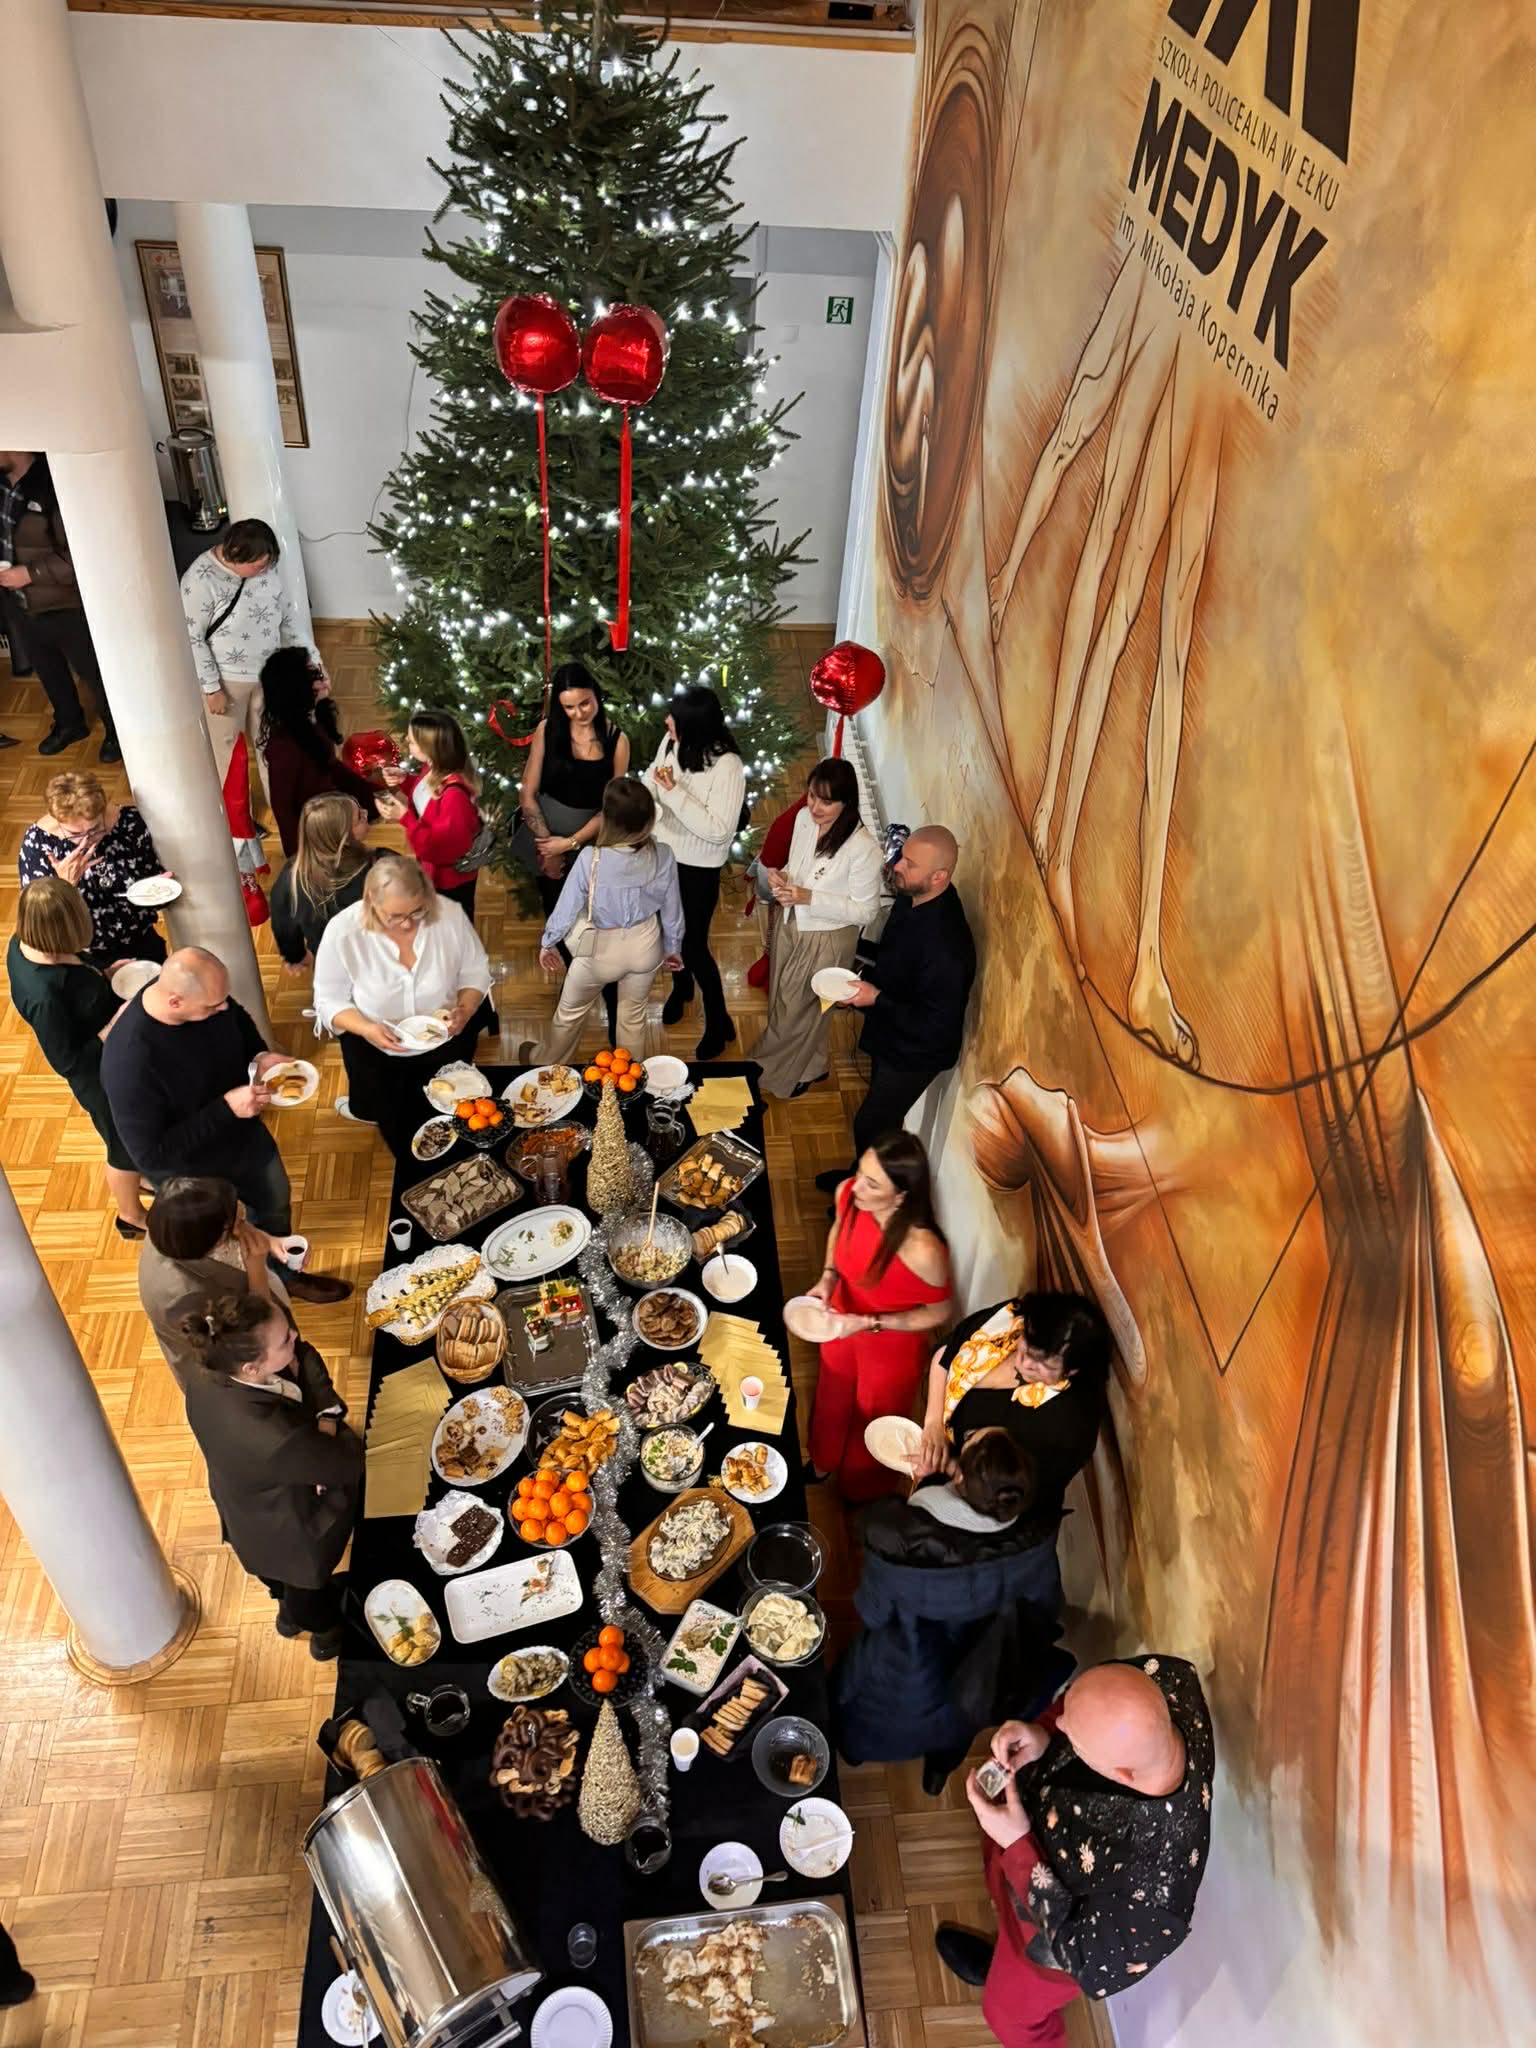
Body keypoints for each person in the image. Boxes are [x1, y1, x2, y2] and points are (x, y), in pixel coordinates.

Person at [940, 1655, 1215, 2042]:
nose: (1062, 1725)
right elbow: (1078, 1704)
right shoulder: (1168, 1679)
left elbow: (1084, 1958)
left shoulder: (1156, 1901)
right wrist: (1043, 1732)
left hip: (1046, 1940)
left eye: (1074, 1738)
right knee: (1001, 1898)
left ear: (1122, 1774)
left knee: (1008, 2016)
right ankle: (998, 1961)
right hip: (1028, 1847)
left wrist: (1017, 1846)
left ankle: (1004, 1979)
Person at [99, 946, 350, 1303]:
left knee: (274, 1201)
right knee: (226, 1243)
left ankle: (284, 1276)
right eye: (212, 1007)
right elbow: (151, 1155)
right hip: (196, 1175)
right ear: (175, 1002)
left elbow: (237, 1017)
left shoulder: (206, 997)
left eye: (223, 1000)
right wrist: (226, 1109)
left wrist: (259, 1054)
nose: (222, 1008)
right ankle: (257, 1296)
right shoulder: (130, 1062)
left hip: (244, 1139)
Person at [833, 1429, 1074, 1793]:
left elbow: (872, 1612)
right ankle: (936, 1776)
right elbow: (1047, 1609)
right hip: (978, 1681)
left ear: (959, 1477)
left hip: (908, 1674)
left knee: (870, 1719)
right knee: (954, 1731)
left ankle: (853, 1754)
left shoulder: (900, 1542)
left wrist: (925, 1486)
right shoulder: (1036, 1544)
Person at [173, 1291, 362, 1659]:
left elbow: (302, 1354)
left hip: (245, 1514)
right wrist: (331, 1426)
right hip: (290, 1532)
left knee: (279, 1582)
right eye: (285, 1340)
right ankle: (325, 1635)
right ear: (252, 1368)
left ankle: (287, 1615)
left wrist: (322, 1413)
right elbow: (346, 1463)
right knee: (309, 1595)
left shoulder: (205, 1371)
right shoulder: (275, 1439)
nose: (296, 1337)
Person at [816, 825, 976, 1192]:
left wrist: (876, 998)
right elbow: (894, 960)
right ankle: (860, 1176)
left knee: (871, 1124)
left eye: (910, 863)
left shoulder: (948, 947)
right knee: (879, 1122)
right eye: (903, 856)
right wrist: (853, 963)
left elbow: (935, 1023)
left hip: (917, 1051)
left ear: (939, 877)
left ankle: (868, 1195)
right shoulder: (911, 897)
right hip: (891, 1029)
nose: (897, 865)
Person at [802, 1132, 952, 1498]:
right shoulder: (849, 1194)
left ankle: (860, 1490)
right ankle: (822, 1461)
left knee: (873, 1417)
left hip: (889, 1346)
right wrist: (828, 1277)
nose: (856, 1187)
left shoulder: (925, 1250)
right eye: (860, 1173)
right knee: (832, 1395)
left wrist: (871, 1323)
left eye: (872, 1184)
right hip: (841, 1318)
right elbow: (838, 1227)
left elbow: (940, 1311)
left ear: (901, 1196)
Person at [313, 853, 492, 1149]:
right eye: (395, 916)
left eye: (417, 912)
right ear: (371, 901)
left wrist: (465, 1008)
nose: (408, 925)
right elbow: (328, 1000)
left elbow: (475, 971)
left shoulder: (449, 915)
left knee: (455, 1123)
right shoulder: (343, 931)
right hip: (379, 1055)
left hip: (446, 1046)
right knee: (399, 1129)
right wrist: (366, 1028)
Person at [6, 876, 147, 1237]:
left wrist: (105, 972)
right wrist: (113, 1025)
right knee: (121, 1145)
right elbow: (67, 1062)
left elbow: (78, 967)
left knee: (133, 1135)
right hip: (97, 1075)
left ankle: (142, 1175)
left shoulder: (24, 941)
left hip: (112, 1048)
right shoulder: (44, 997)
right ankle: (131, 1216)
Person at [916, 1291, 1113, 1542]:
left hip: (976, 1514)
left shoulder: (1069, 1424)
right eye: (1027, 1346)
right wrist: (933, 1424)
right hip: (938, 1464)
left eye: (1045, 1364)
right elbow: (947, 1350)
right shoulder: (1013, 1317)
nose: (1026, 1362)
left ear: (1072, 1370)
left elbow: (1008, 1495)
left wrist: (944, 1466)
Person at [751, 756, 884, 1099]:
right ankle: (813, 1065)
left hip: (827, 938)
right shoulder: (803, 819)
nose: (814, 807)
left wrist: (809, 897)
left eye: (826, 801)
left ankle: (765, 1073)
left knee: (794, 1011)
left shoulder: (864, 849)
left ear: (846, 802)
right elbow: (801, 867)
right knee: (792, 1004)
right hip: (793, 920)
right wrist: (783, 876)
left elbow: (866, 911)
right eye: (811, 795)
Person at [533, 776, 683, 1065]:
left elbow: (566, 907)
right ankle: (629, 1078)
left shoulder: (591, 858)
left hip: (600, 951)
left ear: (609, 820)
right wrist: (673, 947)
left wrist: (548, 942)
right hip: (646, 944)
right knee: (633, 1019)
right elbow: (672, 908)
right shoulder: (664, 854)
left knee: (569, 1015)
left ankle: (547, 1067)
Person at [642, 685, 746, 1060]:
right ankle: (681, 987)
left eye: (675, 719)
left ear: (696, 726)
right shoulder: (674, 742)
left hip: (698, 869)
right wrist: (649, 803)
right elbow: (652, 778)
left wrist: (672, 794)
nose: (666, 722)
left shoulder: (728, 767)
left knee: (693, 946)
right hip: (663, 855)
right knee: (668, 931)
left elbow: (719, 830)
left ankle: (720, 1021)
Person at [180, 517, 312, 803]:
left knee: (274, 746)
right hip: (228, 682)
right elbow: (192, 638)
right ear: (235, 555)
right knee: (230, 756)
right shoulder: (199, 580)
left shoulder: (268, 570)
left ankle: (284, 806)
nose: (265, 571)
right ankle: (239, 822)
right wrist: (211, 688)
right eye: (258, 566)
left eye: (269, 563)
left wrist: (310, 660)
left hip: (269, 676)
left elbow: (287, 618)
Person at [0, 451, 118, 761]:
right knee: (48, 670)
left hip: (66, 604)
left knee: (93, 672)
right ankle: (69, 725)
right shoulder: (3, 486)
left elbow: (81, 552)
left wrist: (30, 574)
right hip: (19, 603)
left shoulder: (56, 485)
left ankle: (116, 731)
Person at [139, 1175, 292, 1388]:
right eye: (233, 1219)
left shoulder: (175, 1225)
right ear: (214, 1238)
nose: (241, 1210)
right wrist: (257, 1267)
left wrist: (266, 1239)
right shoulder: (184, 1295)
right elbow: (253, 1330)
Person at [17, 770, 168, 969]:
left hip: (140, 938)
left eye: (95, 829)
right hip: (80, 955)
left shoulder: (129, 823)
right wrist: (65, 885)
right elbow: (39, 920)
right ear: (58, 821)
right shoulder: (38, 844)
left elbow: (151, 874)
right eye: (75, 834)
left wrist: (160, 887)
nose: (87, 841)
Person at [517, 663, 631, 915]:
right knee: (554, 908)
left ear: (596, 694)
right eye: (569, 707)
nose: (579, 714)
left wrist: (568, 844)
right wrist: (548, 849)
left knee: (589, 912)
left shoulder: (618, 741)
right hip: (544, 834)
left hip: (592, 840)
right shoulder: (546, 731)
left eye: (585, 703)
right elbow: (527, 792)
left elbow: (611, 808)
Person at [258, 646, 377, 857]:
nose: (324, 681)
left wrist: (376, 795)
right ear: (296, 688)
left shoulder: (313, 722)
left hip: (334, 822)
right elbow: (283, 806)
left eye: (319, 672)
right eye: (314, 677)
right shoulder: (284, 747)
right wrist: (298, 858)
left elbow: (332, 767)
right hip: (318, 838)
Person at [376, 709, 485, 918]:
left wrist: (404, 818)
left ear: (430, 748)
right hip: (433, 873)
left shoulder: (454, 797)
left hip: (449, 882)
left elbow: (441, 848)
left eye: (412, 742)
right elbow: (426, 800)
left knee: (451, 925)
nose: (407, 742)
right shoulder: (433, 767)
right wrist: (406, 780)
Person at [270, 792, 377, 976]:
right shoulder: (379, 864)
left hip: (328, 964)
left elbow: (283, 924)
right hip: (377, 960)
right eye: (360, 817)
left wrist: (295, 956)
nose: (366, 813)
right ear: (343, 836)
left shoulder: (292, 875)